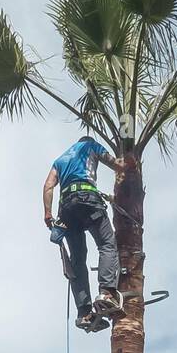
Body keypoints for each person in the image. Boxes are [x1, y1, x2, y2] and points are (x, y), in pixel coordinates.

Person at [43, 136, 126, 331]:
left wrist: (48, 213)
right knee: (106, 244)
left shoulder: (60, 160)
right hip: (88, 200)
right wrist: (129, 163)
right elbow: (116, 164)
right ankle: (106, 292)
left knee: (78, 259)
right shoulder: (90, 146)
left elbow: (48, 185)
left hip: (66, 210)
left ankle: (84, 312)